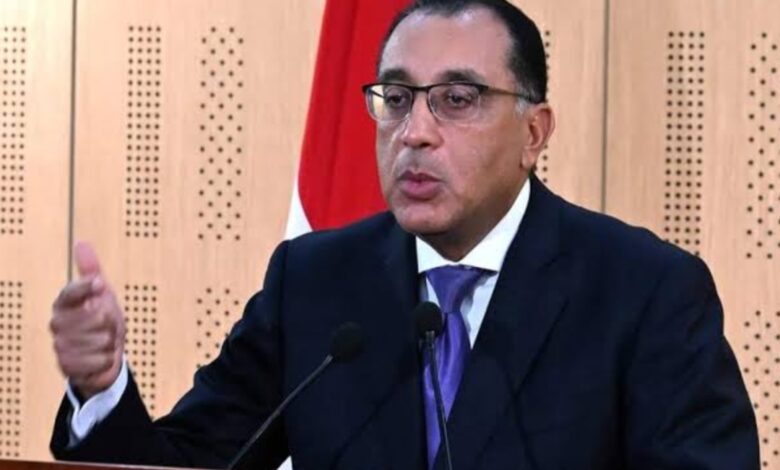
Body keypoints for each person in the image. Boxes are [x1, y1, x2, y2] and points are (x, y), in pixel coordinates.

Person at [49, 0, 759, 469]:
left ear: (533, 133)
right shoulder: (314, 283)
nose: (415, 132)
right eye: (395, 98)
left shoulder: (643, 290)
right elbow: (188, 466)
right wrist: (101, 384)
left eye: (457, 99)